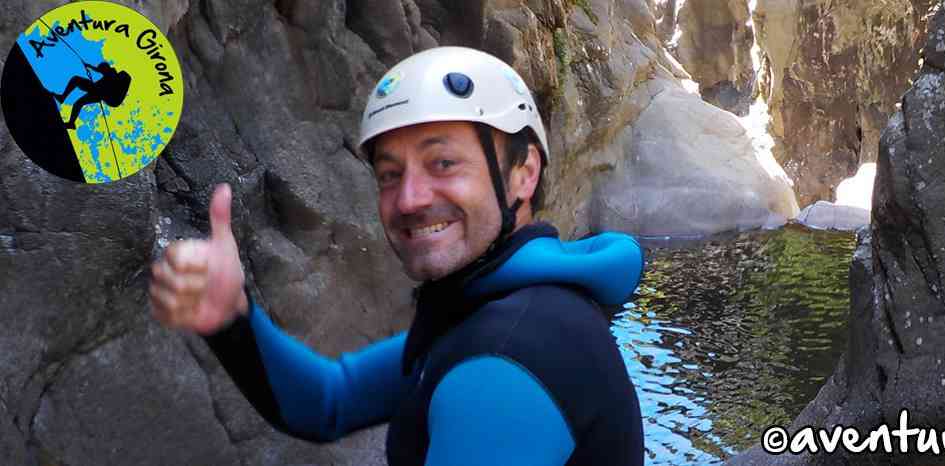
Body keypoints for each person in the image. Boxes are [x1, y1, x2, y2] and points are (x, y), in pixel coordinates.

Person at [147, 46, 645, 465]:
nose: (409, 199)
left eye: (443, 163)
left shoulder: (504, 358)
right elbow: (330, 400)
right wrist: (231, 318)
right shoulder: (486, 309)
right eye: (390, 174)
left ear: (524, 173)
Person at [54, 61, 131, 129]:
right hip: (100, 94)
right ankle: (71, 123)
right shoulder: (108, 76)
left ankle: (62, 98)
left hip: (100, 93)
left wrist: (90, 66)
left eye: (102, 71)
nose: (101, 72)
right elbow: (101, 72)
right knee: (78, 103)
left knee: (75, 79)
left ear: (105, 68)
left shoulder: (112, 74)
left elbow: (101, 71)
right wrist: (89, 66)